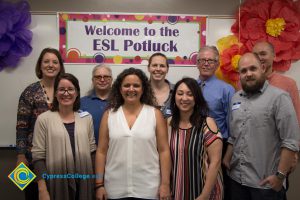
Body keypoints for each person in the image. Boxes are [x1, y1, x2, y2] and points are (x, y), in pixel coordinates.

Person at [223, 53, 300, 200]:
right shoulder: (235, 98)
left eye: (253, 69)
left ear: (263, 68)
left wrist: (280, 177)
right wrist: (227, 159)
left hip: (265, 185)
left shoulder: (279, 98)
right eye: (243, 71)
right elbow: (234, 135)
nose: (248, 74)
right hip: (236, 181)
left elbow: (290, 141)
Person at [95, 67, 171, 199]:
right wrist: (99, 184)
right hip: (114, 188)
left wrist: (165, 184)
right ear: (120, 89)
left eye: (136, 85)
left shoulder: (155, 114)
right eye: (126, 85)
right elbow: (101, 152)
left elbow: (164, 150)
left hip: (148, 188)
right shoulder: (109, 115)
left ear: (143, 89)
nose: (131, 89)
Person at [32, 73, 96, 200]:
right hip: (55, 183)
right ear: (55, 93)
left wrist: (97, 183)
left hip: (85, 184)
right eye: (61, 89)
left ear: (77, 93)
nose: (66, 93)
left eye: (70, 89)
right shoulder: (44, 119)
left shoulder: (87, 118)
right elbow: (38, 157)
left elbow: (92, 151)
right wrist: (42, 189)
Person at [15, 47, 65, 200]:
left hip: (59, 158)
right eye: (46, 61)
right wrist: (21, 156)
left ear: (60, 66)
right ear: (40, 65)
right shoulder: (30, 92)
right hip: (32, 158)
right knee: (34, 195)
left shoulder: (65, 90)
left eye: (55, 62)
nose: (51, 65)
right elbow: (22, 126)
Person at [168, 77, 223, 200]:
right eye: (180, 93)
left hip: (204, 191)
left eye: (190, 94)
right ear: (174, 97)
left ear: (196, 98)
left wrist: (204, 195)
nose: (184, 98)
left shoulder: (208, 123)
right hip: (177, 190)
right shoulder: (169, 123)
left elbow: (215, 162)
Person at [196, 45, 235, 200]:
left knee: (216, 188)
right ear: (197, 63)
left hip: (218, 147)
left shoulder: (227, 90)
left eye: (211, 60)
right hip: (193, 144)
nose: (206, 63)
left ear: (217, 64)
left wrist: (228, 154)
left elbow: (232, 123)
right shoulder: (188, 86)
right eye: (203, 60)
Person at [252, 41, 300, 124]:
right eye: (255, 55)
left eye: (263, 54)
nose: (259, 58)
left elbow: (297, 119)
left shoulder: (289, 84)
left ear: (274, 56)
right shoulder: (244, 84)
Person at [80, 64, 112, 145]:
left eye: (106, 77)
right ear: (92, 80)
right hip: (89, 152)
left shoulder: (120, 102)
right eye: (98, 77)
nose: (102, 80)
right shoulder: (81, 103)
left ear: (111, 79)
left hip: (115, 152)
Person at [148, 52, 174, 118]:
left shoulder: (177, 90)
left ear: (167, 69)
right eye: (154, 65)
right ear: (148, 68)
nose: (158, 69)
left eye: (162, 66)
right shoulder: (140, 91)